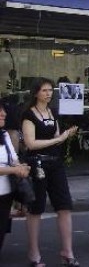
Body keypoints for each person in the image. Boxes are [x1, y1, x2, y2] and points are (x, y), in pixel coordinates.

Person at [21, 78, 79, 266]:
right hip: (37, 164)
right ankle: (34, 253)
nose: (48, 93)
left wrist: (65, 136)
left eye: (50, 90)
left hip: (55, 163)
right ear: (36, 92)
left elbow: (57, 137)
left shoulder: (52, 112)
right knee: (36, 209)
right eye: (44, 90)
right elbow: (30, 143)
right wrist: (57, 140)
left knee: (64, 206)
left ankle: (67, 251)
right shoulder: (29, 115)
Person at [0, 101, 30, 252]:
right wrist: (14, 170)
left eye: (4, 110)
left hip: (5, 193)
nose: (3, 113)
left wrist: (20, 167)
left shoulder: (4, 134)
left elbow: (13, 158)